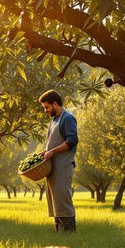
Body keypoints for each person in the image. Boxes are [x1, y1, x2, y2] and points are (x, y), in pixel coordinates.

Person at [39, 89, 78, 232]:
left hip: (64, 165)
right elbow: (53, 143)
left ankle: (69, 232)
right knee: (54, 199)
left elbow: (72, 140)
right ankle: (60, 232)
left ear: (55, 104)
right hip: (53, 166)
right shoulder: (54, 120)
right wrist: (46, 151)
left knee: (62, 197)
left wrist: (53, 151)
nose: (45, 110)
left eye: (47, 107)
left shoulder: (68, 118)